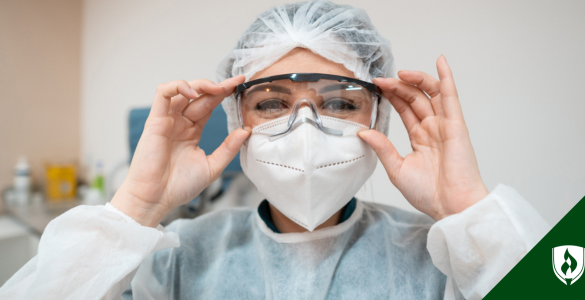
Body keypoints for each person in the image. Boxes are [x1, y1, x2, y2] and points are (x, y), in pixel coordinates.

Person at [0, 1, 549, 299]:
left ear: (378, 116)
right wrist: (136, 208)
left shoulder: (439, 259)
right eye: (271, 104)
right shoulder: (178, 259)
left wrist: (472, 212)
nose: (304, 129)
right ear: (237, 117)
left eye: (338, 103)